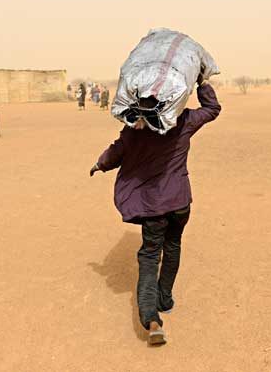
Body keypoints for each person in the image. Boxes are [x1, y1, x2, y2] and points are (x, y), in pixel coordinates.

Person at [89, 74, 221, 345]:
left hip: (152, 206)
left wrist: (100, 164)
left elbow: (116, 152)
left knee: (150, 256)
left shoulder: (133, 128)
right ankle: (165, 299)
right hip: (179, 202)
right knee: (172, 246)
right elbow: (212, 110)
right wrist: (202, 83)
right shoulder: (183, 122)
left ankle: (151, 319)